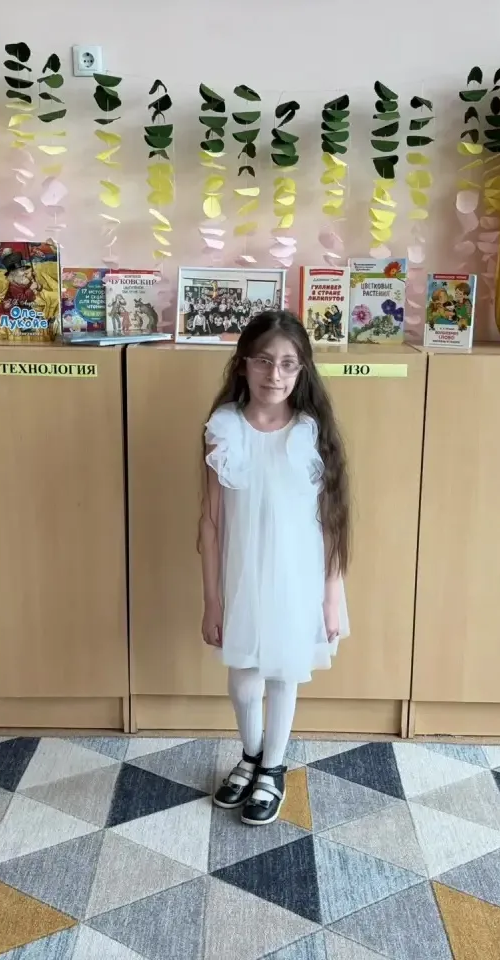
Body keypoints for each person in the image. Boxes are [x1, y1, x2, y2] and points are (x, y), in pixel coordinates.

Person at [199, 310, 350, 826]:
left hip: (298, 579)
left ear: (302, 369)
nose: (275, 374)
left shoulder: (310, 432)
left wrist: (331, 597)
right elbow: (211, 523)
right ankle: (251, 753)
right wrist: (212, 600)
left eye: (289, 364)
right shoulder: (224, 429)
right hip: (241, 578)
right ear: (244, 363)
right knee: (245, 682)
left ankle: (272, 767)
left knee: (285, 672)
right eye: (264, 361)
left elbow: (332, 522)